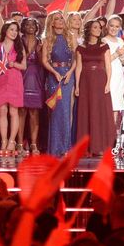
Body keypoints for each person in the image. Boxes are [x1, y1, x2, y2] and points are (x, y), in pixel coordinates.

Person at [75, 18, 116, 157]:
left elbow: (108, 66)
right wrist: (77, 85)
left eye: (99, 27)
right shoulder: (80, 48)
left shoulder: (104, 46)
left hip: (100, 81)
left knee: (99, 112)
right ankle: (86, 147)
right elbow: (79, 67)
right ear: (89, 30)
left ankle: (99, 146)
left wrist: (108, 83)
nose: (98, 30)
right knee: (86, 112)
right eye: (95, 27)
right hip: (85, 82)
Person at [42, 11, 76, 156]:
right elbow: (44, 60)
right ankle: (55, 148)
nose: (61, 21)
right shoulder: (47, 40)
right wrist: (55, 73)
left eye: (62, 18)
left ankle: (66, 148)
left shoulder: (71, 37)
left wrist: (69, 73)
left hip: (68, 76)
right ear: (52, 23)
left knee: (67, 111)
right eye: (57, 19)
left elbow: (76, 59)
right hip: (54, 76)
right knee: (56, 112)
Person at [0, 19, 27, 158]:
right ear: (5, 31)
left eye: (16, 30)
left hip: (14, 80)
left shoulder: (19, 47)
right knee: (2, 111)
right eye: (11, 29)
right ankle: (4, 140)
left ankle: (12, 141)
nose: (14, 32)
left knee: (13, 111)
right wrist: (0, 65)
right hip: (0, 80)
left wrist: (13, 64)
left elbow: (23, 66)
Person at [19, 17, 46, 154]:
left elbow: (42, 63)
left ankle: (34, 144)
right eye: (27, 24)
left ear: (37, 28)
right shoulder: (19, 41)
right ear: (23, 27)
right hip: (21, 77)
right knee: (21, 111)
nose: (30, 26)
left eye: (33, 24)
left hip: (35, 78)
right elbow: (19, 59)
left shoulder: (40, 42)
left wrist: (40, 51)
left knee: (34, 113)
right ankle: (20, 144)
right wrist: (30, 51)